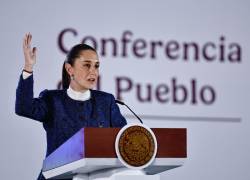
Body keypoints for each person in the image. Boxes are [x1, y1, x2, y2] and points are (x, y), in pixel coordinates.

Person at [15, 33, 127, 180]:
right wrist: (28, 67)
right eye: (87, 65)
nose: (93, 71)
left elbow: (125, 140)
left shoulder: (106, 101)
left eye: (96, 66)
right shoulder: (52, 99)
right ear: (70, 69)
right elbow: (24, 107)